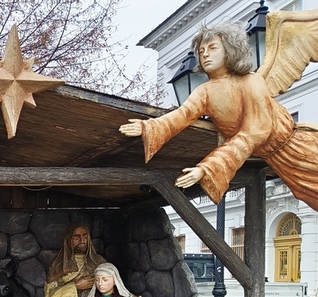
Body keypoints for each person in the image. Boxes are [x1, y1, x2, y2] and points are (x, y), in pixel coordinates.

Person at [119, 22, 318, 211]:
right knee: (308, 195)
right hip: (279, 162)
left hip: (302, 147)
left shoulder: (250, 81)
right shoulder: (204, 92)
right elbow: (181, 116)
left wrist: (209, 167)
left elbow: (257, 130)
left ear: (229, 49)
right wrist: (148, 127)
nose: (205, 54)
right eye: (201, 51)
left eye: (212, 48)